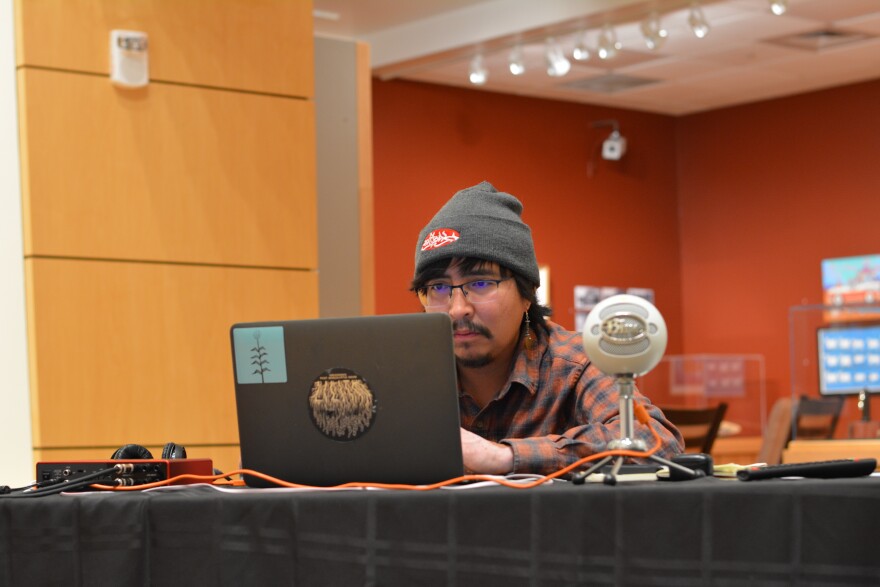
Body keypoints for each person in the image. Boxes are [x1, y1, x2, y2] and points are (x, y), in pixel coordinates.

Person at [411, 181, 684, 476]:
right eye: (438, 287)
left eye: (480, 283)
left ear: (527, 294)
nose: (457, 309)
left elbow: (656, 441)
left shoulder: (574, 362)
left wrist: (505, 457)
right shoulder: (407, 371)